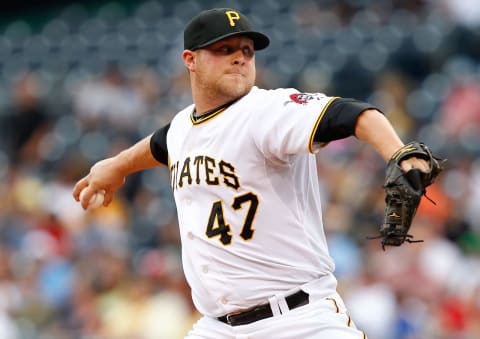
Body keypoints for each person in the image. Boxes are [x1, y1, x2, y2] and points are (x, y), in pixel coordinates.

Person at [73, 8, 430, 339]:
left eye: (247, 49)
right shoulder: (183, 126)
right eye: (224, 49)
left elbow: (353, 114)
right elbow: (159, 144)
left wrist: (398, 151)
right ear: (190, 60)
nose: (240, 56)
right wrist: (115, 166)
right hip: (218, 328)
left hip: (299, 320)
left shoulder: (267, 110)